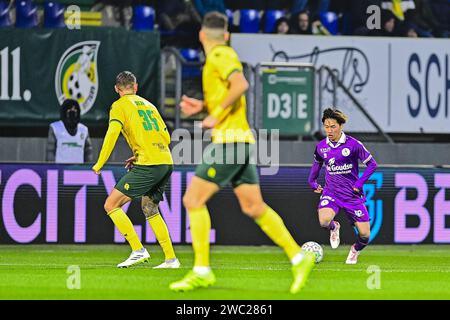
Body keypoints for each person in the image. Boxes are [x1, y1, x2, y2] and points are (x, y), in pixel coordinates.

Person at [169, 11, 315, 294]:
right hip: (242, 142)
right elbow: (232, 92)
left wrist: (216, 114)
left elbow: (241, 84)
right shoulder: (221, 55)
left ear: (201, 34)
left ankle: (201, 270)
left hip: (230, 143)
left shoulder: (220, 55)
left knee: (192, 199)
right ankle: (298, 258)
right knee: (253, 207)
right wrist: (204, 107)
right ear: (225, 33)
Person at [92, 71, 180, 269]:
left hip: (149, 163)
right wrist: (142, 151)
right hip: (165, 161)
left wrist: (100, 163)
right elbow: (166, 137)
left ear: (117, 89)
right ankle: (171, 259)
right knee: (150, 207)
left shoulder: (119, 106)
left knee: (111, 205)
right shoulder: (150, 105)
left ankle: (138, 250)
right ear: (136, 87)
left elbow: (112, 133)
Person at [308, 108, 378, 264]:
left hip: (352, 196)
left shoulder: (353, 145)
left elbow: (372, 165)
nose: (329, 130)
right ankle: (334, 227)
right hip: (331, 192)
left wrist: (359, 184)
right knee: (324, 221)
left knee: (365, 235)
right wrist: (312, 182)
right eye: (326, 126)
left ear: (340, 126)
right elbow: (316, 165)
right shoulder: (321, 147)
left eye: (333, 126)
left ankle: (355, 250)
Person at [46, 99, 93, 164]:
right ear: (64, 112)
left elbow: (88, 153)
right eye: (69, 111)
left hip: (79, 171)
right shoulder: (55, 128)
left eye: (75, 111)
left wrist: (88, 168)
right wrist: (51, 170)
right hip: (60, 170)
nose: (72, 113)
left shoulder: (84, 130)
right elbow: (50, 152)